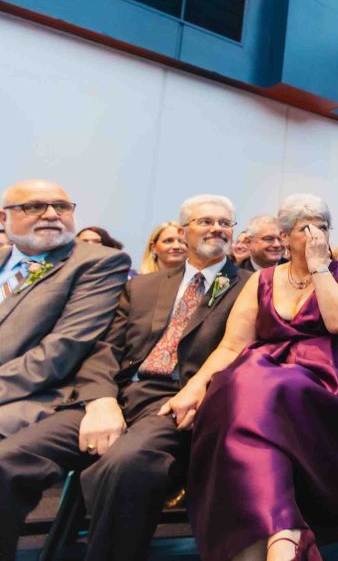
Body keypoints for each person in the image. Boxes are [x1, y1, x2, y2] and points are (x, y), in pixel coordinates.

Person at [0, 194, 251, 561]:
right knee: (10, 458)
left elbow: (243, 351)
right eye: (205, 221)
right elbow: (105, 349)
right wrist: (101, 399)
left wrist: (200, 391)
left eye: (225, 223)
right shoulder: (144, 286)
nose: (217, 228)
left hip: (175, 403)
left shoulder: (250, 287)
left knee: (127, 465)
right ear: (182, 232)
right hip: (112, 398)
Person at [183, 194, 338, 561]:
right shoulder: (261, 279)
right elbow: (232, 346)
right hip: (266, 373)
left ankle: (274, 534)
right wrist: (195, 386)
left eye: (323, 228)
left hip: (331, 375)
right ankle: (282, 534)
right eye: (306, 228)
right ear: (286, 235)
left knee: (267, 388)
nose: (316, 236)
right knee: (237, 387)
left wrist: (320, 267)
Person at [0, 179, 131, 438]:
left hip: (33, 395)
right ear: (3, 218)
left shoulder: (97, 263)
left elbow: (61, 350)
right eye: (35, 207)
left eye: (61, 207)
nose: (51, 215)